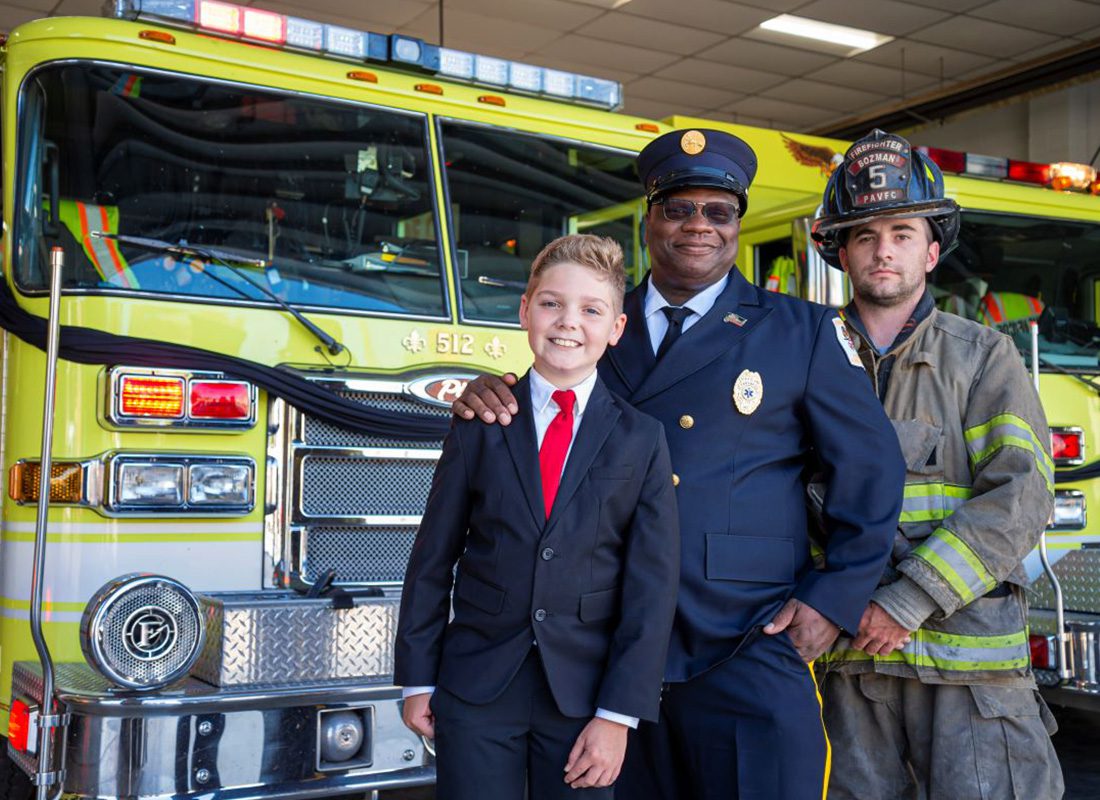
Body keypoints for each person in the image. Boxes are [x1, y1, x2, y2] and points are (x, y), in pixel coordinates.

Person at [453, 129, 905, 800]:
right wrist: (491, 394)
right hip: (608, 647)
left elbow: (872, 473)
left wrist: (831, 600)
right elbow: (549, 415)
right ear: (649, 222)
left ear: (737, 226)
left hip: (746, 635)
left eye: (717, 212)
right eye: (679, 209)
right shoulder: (602, 320)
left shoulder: (800, 332)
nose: (699, 226)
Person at [811, 129, 1064, 800]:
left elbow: (1021, 493)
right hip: (851, 673)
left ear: (931, 248)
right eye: (864, 235)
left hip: (969, 679)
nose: (882, 248)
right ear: (842, 252)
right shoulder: (805, 360)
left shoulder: (984, 356)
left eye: (900, 230)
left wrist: (907, 599)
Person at [394, 234, 680, 800]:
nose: (568, 322)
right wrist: (418, 678)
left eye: (591, 310)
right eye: (551, 303)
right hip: (477, 686)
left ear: (616, 329)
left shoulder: (642, 439)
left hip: (584, 696)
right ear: (525, 311)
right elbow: (433, 556)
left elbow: (651, 586)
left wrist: (618, 715)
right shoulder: (481, 421)